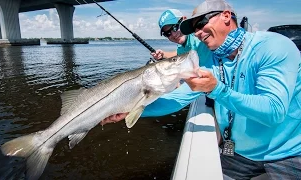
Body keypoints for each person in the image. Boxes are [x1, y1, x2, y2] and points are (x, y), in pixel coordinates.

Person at [103, 0, 301, 179]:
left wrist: (217, 90)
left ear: (225, 16)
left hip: (288, 154)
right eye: (194, 28)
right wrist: (134, 109)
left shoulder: (273, 47)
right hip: (240, 154)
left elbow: (274, 112)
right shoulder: (207, 59)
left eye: (201, 23)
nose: (197, 32)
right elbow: (178, 99)